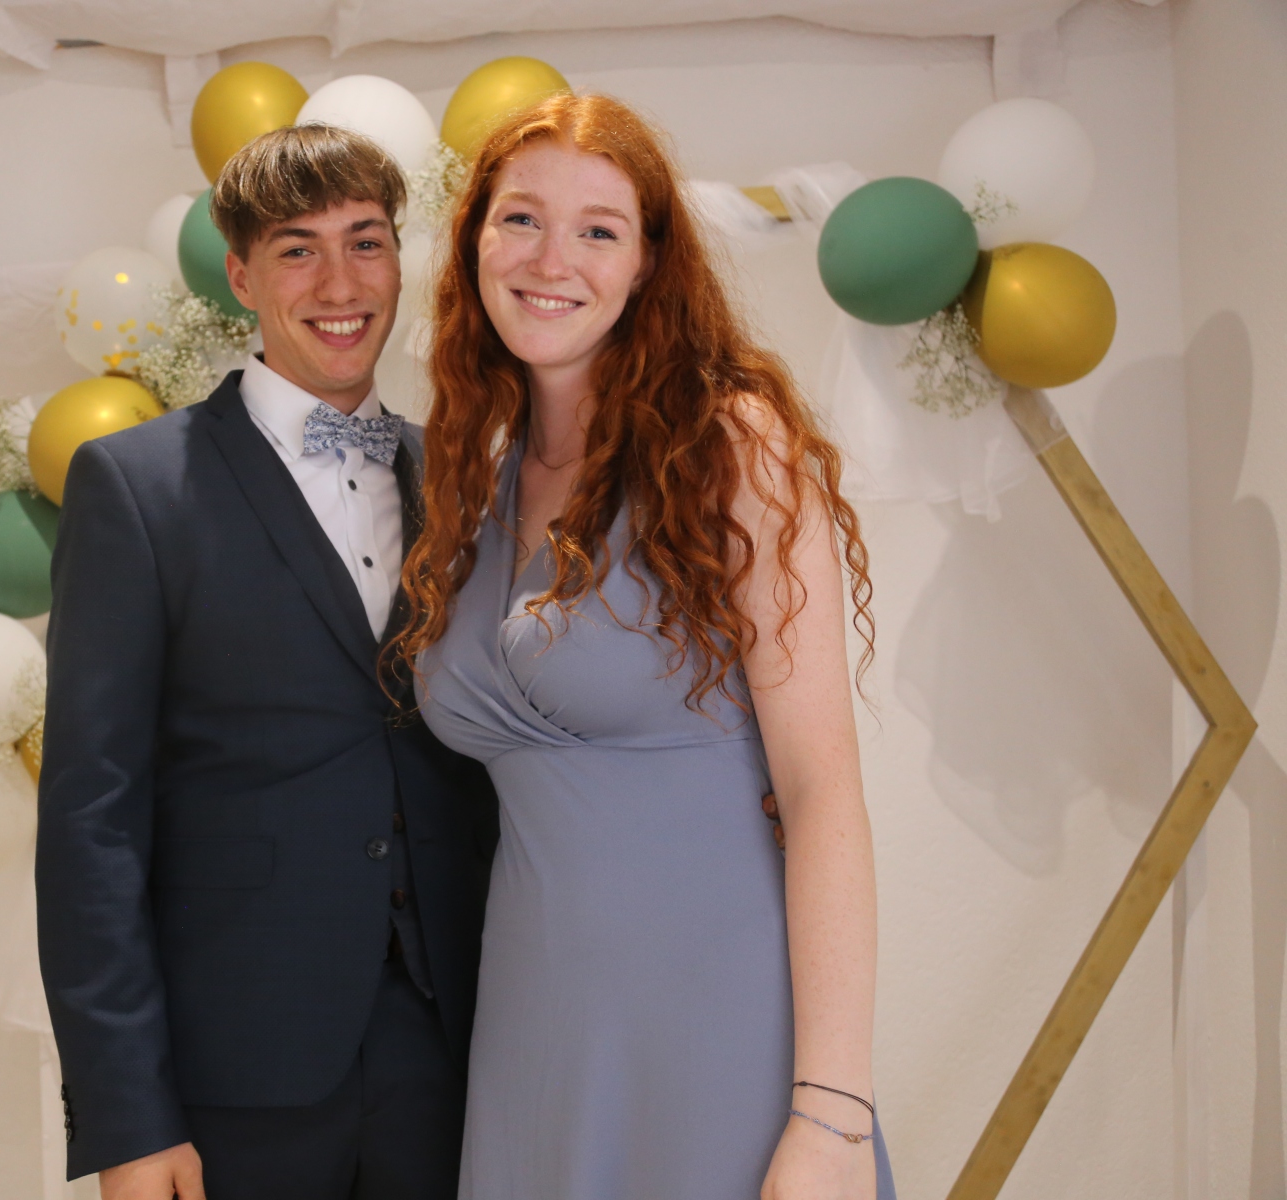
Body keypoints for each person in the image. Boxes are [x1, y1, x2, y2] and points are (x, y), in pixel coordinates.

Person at [396, 93, 896, 1200]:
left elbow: (821, 791)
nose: (551, 259)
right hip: (536, 1032)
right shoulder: (480, 478)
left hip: (716, 1015)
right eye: (521, 219)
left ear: (646, 265)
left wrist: (832, 1115)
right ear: (474, 241)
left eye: (599, 229)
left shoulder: (730, 443)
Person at [35, 123, 498, 1200]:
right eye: (298, 250)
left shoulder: (463, 479)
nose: (340, 283)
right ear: (242, 277)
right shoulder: (136, 489)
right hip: (233, 1075)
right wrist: (128, 1120)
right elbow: (92, 822)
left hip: (453, 1058)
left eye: (366, 242)